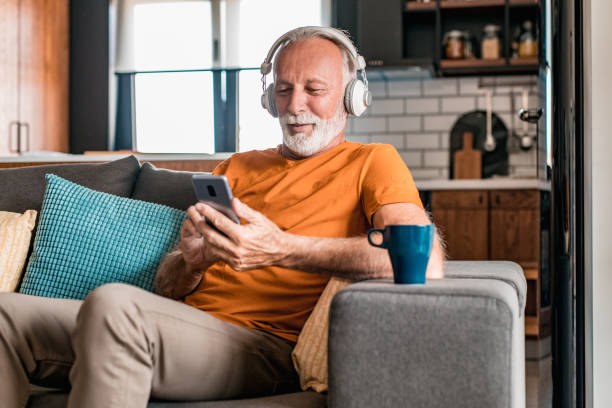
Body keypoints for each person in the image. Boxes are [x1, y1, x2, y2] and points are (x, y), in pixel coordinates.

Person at [0, 26, 444, 407]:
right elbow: (168, 287)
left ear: (352, 97)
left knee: (114, 304)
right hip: (183, 327)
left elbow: (422, 259)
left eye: (314, 89)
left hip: (263, 345)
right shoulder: (237, 167)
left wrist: (283, 249)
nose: (294, 104)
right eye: (284, 89)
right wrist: (190, 261)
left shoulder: (372, 161)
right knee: (6, 314)